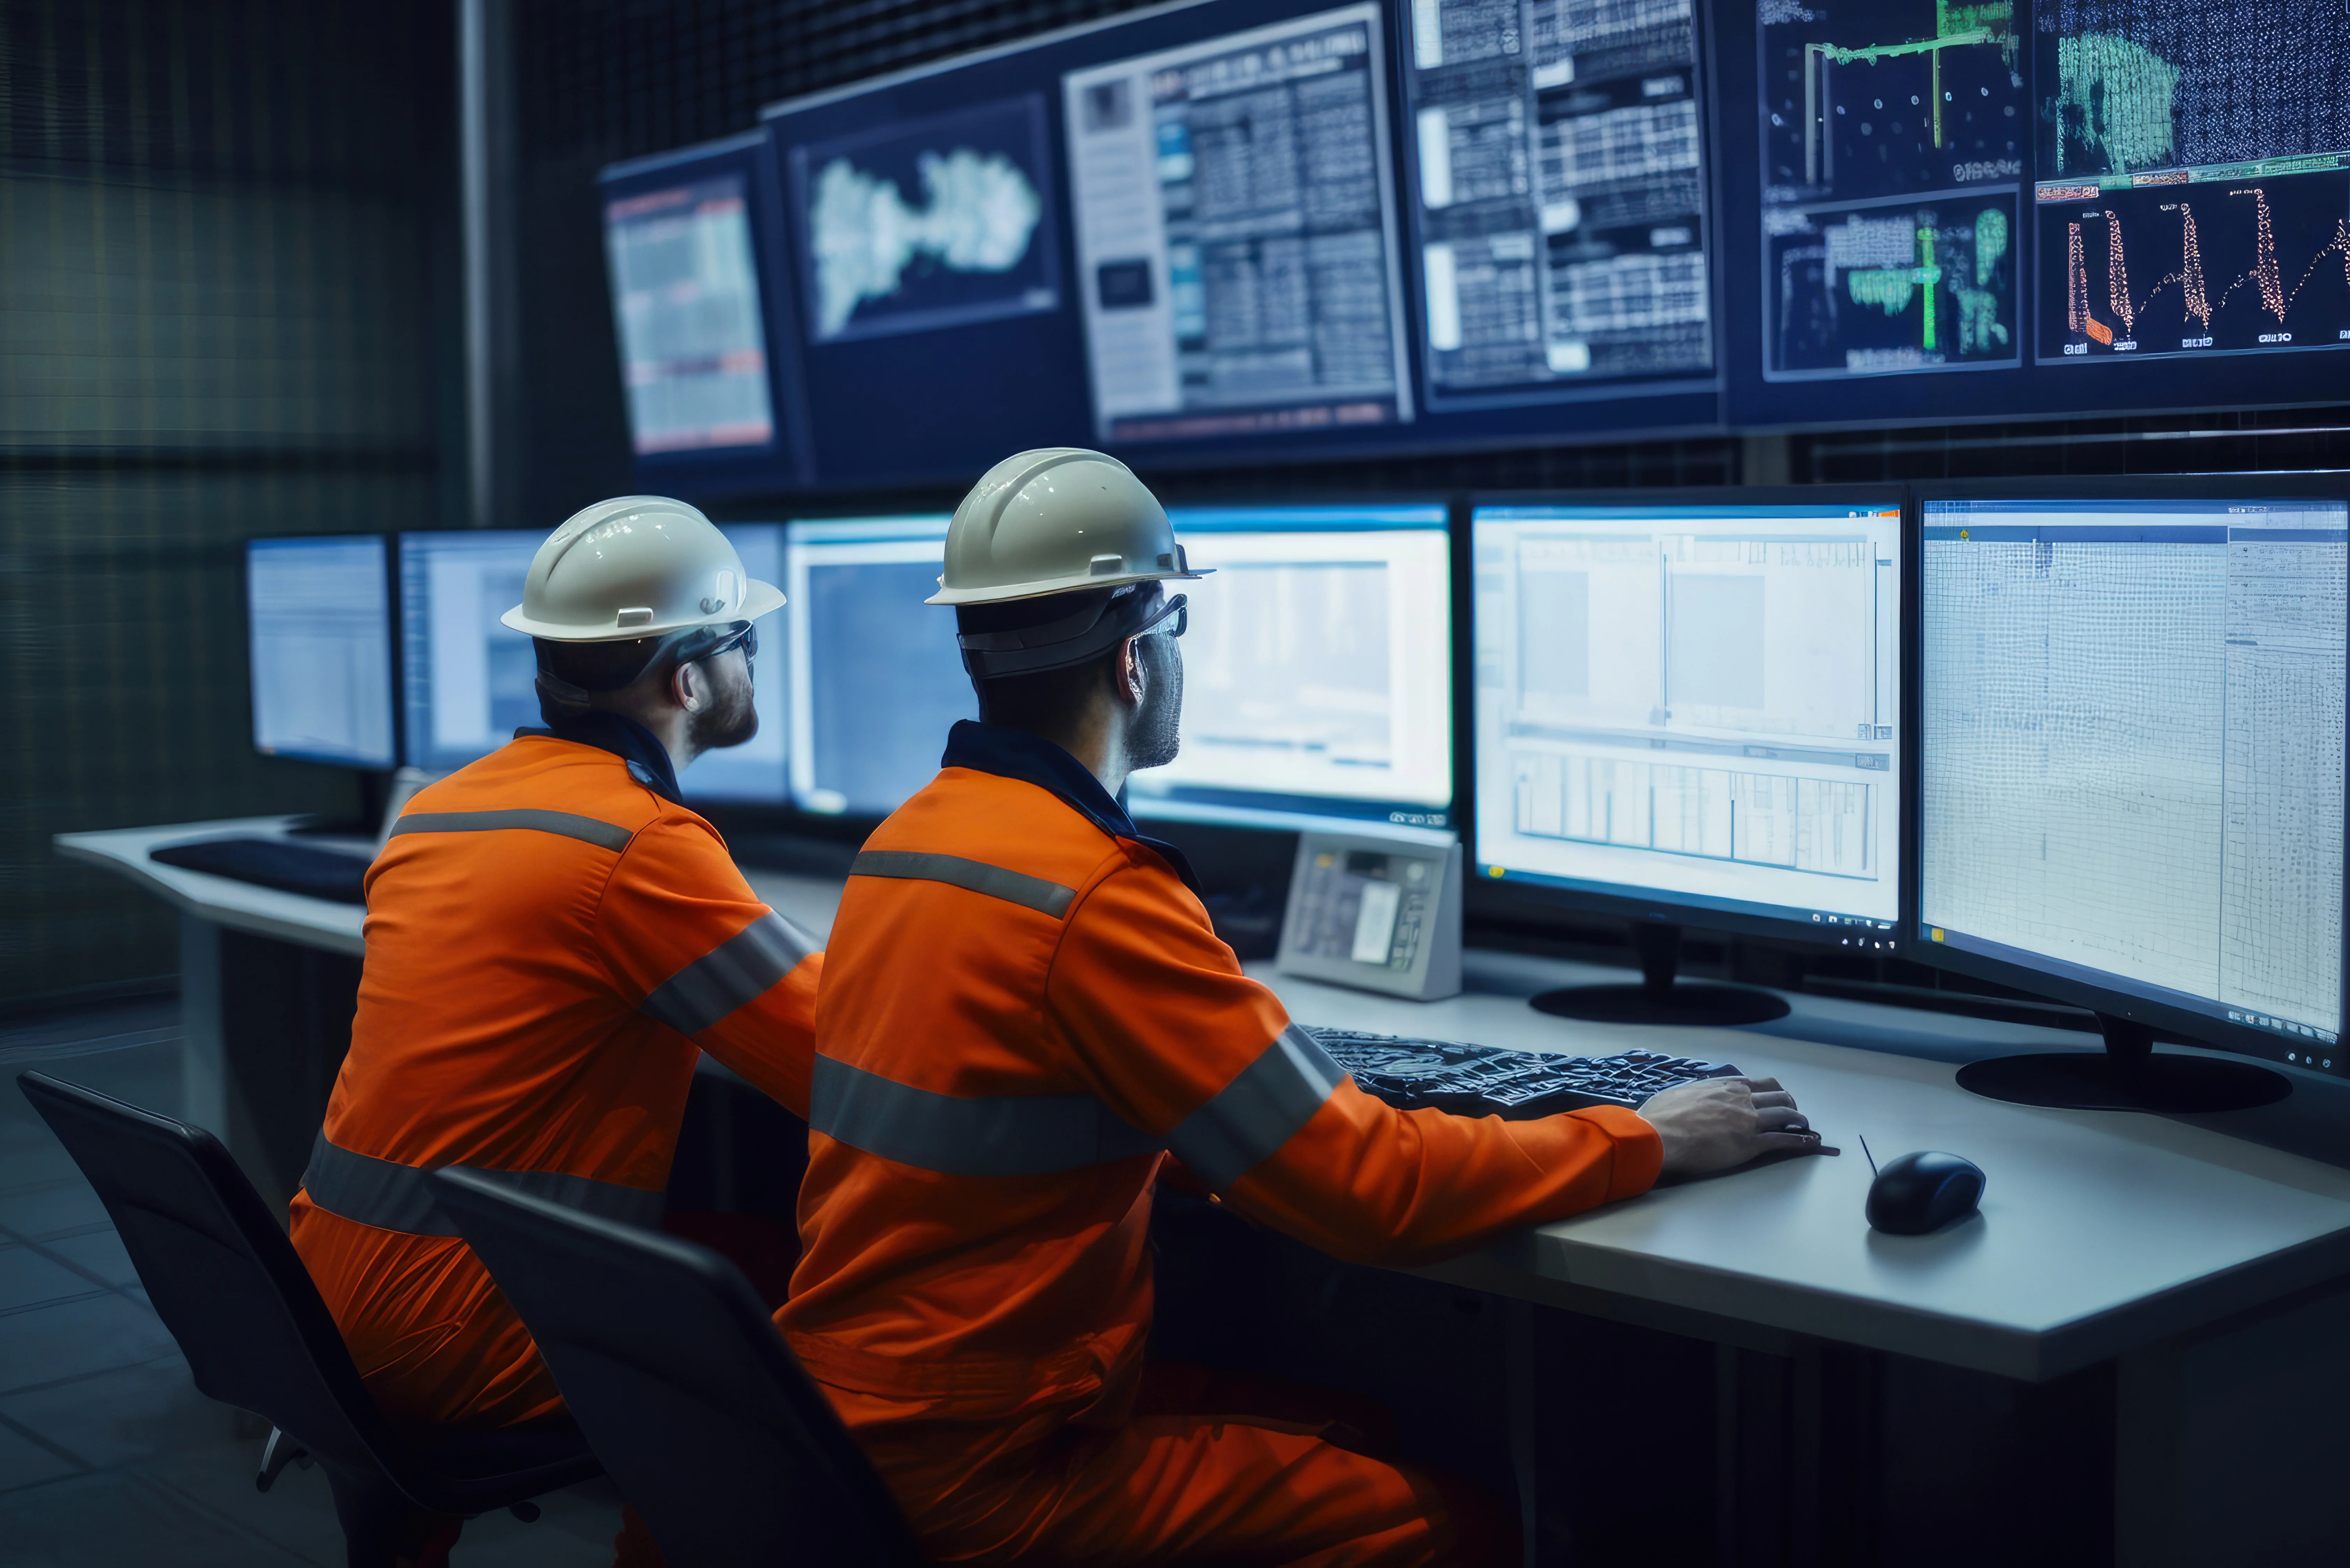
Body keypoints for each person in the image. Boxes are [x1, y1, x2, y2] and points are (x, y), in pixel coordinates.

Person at [779, 448, 1819, 1567]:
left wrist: (1200, 1137)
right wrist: (1645, 1139)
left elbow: (1011, 1112)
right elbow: (1373, 1192)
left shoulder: (907, 847)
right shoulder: (1095, 893)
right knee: (1450, 1525)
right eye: (1178, 625)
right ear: (1136, 661)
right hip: (984, 1478)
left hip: (827, 1428)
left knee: (1351, 1426)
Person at [290, 496, 820, 1563]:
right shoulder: (642, 846)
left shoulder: (437, 811)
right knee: (812, 1282)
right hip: (471, 1334)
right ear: (688, 680)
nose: (753, 668)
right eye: (744, 643)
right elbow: (852, 1067)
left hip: (315, 1310)